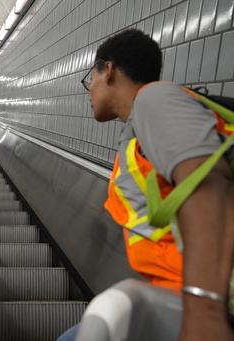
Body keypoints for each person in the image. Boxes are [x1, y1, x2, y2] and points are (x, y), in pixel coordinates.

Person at [59, 29, 234, 340]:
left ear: (108, 69)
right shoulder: (139, 128)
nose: (89, 91)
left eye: (91, 79)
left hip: (205, 303)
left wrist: (204, 312)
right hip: (176, 293)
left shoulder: (154, 98)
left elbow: (208, 186)